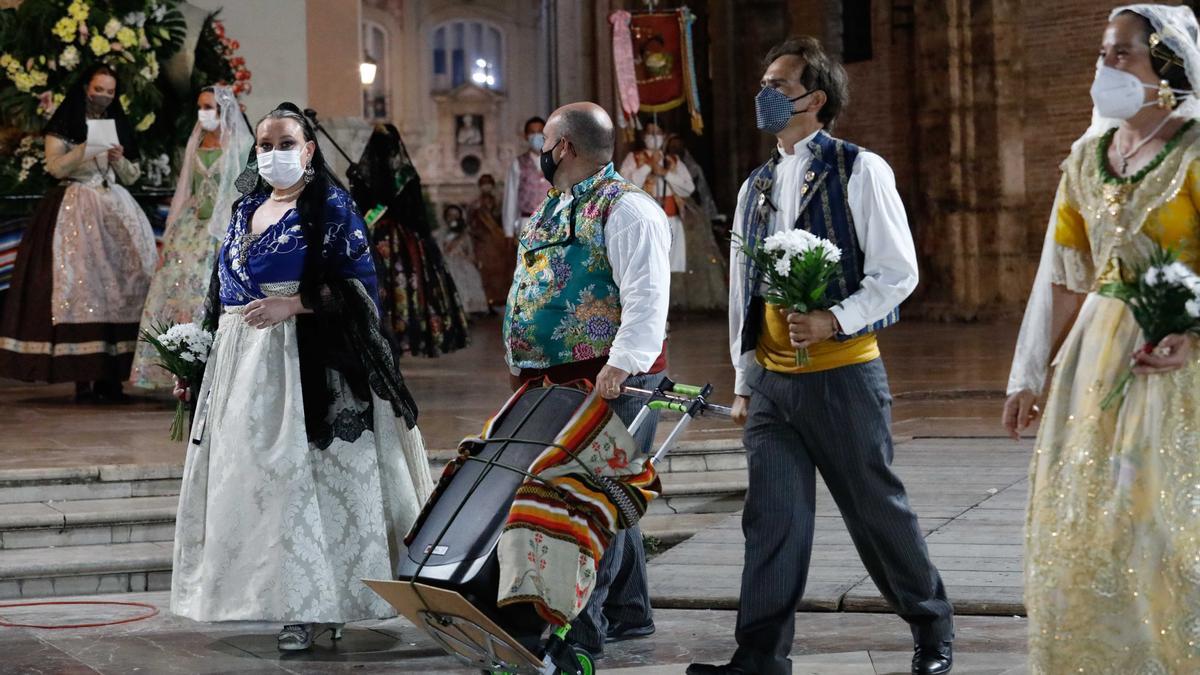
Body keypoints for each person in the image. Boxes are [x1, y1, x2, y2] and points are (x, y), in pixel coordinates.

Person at [689, 37, 955, 675]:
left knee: (875, 512)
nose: (766, 94)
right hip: (773, 385)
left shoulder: (859, 168)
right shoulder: (754, 186)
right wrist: (744, 378)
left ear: (816, 98)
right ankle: (759, 656)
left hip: (843, 377)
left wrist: (834, 317)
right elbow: (742, 294)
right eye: (764, 82)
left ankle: (931, 630)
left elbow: (898, 273)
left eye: (779, 85)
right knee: (772, 522)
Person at [169, 103, 434, 651]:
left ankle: (318, 606)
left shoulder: (330, 208)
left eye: (285, 143)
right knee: (255, 484)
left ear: (309, 150)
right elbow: (218, 291)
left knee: (306, 483)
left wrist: (298, 306)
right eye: (264, 145)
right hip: (241, 364)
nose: (273, 154)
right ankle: (270, 596)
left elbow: (361, 285)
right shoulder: (244, 209)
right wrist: (197, 364)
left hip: (310, 365)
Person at [1003, 6, 1200, 673]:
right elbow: (1066, 275)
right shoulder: (1087, 158)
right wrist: (1030, 375)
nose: (1107, 66)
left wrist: (1191, 337)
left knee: (1159, 520)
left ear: (1165, 68)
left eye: (1124, 55)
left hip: (1174, 365)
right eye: (1103, 53)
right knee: (1088, 516)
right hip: (1093, 357)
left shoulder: (1197, 151)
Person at [504, 102, 671, 658]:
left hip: (610, 378)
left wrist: (621, 366)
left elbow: (647, 297)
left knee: (595, 499)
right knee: (614, 495)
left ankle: (584, 629)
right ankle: (631, 612)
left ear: (565, 147)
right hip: (553, 378)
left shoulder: (628, 209)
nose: (541, 153)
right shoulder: (554, 204)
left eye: (545, 142)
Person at [0, 64, 157, 402]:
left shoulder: (119, 124)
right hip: (76, 206)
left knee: (124, 283)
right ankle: (82, 376)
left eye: (110, 91)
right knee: (82, 284)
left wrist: (117, 159)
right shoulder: (64, 123)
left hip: (115, 206)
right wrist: (87, 147)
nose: (104, 96)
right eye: (99, 88)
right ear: (86, 87)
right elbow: (55, 167)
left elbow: (131, 176)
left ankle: (114, 375)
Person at [131, 85, 252, 389]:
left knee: (208, 292)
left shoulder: (240, 144)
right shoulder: (196, 141)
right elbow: (185, 188)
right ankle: (178, 367)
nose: (204, 113)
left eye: (209, 106)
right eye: (201, 106)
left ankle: (216, 368)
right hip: (192, 226)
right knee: (178, 291)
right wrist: (171, 233)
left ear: (224, 110)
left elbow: (245, 191)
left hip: (223, 226)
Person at [350, 123, 468, 356]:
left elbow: (369, 206)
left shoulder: (370, 175)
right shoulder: (387, 175)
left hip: (383, 236)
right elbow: (414, 213)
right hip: (404, 240)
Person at [619, 121, 695, 273]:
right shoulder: (633, 158)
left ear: (664, 136)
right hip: (645, 222)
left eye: (658, 133)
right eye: (650, 133)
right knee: (649, 268)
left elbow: (688, 187)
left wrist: (665, 173)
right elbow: (625, 186)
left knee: (671, 269)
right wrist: (648, 165)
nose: (654, 137)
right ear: (644, 136)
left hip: (672, 219)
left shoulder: (672, 160)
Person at [664, 132, 727, 313]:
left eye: (679, 145)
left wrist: (710, 216)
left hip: (689, 210)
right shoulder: (660, 162)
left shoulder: (686, 166)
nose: (676, 148)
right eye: (673, 145)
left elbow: (700, 192)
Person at [467, 173, 515, 311]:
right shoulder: (475, 204)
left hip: (497, 240)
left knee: (501, 269)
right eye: (483, 184)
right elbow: (470, 222)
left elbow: (505, 218)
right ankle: (486, 301)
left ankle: (500, 298)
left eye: (489, 184)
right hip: (482, 242)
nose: (486, 187)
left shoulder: (498, 202)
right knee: (484, 271)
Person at [502, 116, 553, 239]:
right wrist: (508, 231)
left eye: (540, 131)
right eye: (532, 132)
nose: (536, 136)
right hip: (527, 223)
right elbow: (511, 196)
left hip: (552, 223)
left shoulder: (555, 162)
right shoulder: (518, 163)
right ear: (525, 136)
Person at [437, 203, 488, 314]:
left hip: (463, 261)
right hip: (449, 262)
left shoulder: (465, 234)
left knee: (472, 277)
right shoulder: (441, 233)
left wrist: (472, 260)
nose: (453, 218)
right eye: (450, 215)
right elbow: (441, 251)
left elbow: (470, 251)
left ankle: (473, 309)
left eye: (456, 215)